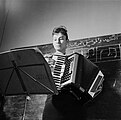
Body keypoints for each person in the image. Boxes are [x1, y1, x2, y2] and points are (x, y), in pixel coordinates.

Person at [42, 26, 97, 120]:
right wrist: (45, 68)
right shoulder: (47, 59)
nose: (58, 42)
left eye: (61, 39)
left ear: (67, 42)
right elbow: (39, 83)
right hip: (53, 103)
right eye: (55, 39)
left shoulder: (77, 60)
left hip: (72, 104)